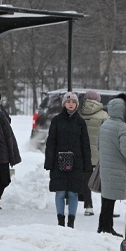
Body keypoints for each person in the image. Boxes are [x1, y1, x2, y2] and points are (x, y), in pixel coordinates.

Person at [44, 92, 91, 228]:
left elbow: (85, 144)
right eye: (68, 102)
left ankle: (71, 222)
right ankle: (60, 220)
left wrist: (87, 164)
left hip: (76, 162)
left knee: (73, 192)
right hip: (58, 162)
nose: (71, 104)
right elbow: (51, 142)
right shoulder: (57, 120)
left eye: (73, 102)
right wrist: (49, 161)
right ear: (64, 104)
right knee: (60, 192)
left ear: (76, 104)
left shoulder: (80, 122)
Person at [98, 93, 126, 237]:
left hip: (106, 167)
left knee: (106, 200)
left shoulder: (105, 124)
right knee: (110, 201)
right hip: (117, 167)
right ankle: (107, 229)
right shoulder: (122, 127)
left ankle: (103, 227)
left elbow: (98, 145)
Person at [78, 90, 108, 216]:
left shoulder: (79, 113)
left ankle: (88, 206)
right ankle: (106, 208)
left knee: (86, 179)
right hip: (99, 153)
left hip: (83, 153)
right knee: (104, 181)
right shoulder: (103, 115)